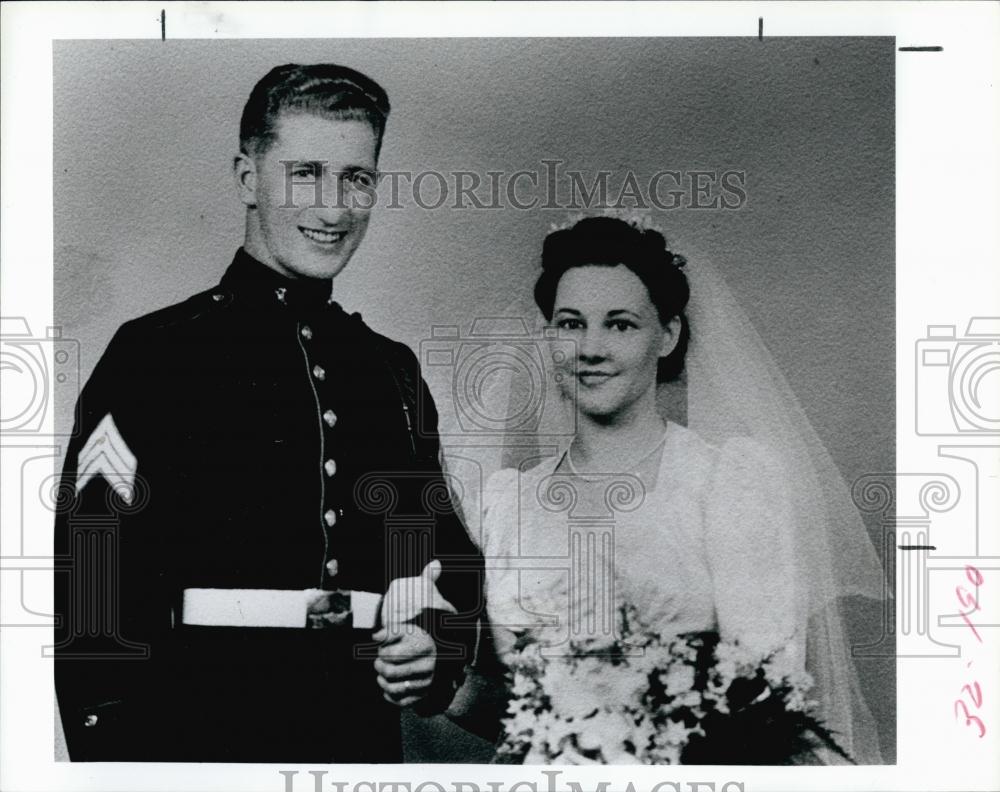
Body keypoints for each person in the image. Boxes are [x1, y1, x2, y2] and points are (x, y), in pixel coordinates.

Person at [53, 63, 484, 763]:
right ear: (248, 178)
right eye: (305, 173)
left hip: (355, 735)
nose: (334, 207)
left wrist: (438, 644)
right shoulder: (155, 353)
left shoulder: (390, 370)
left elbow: (440, 553)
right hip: (193, 730)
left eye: (357, 178)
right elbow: (94, 576)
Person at [469, 213, 887, 764]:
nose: (590, 348)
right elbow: (512, 709)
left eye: (620, 325)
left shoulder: (726, 484)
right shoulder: (509, 501)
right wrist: (435, 682)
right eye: (570, 324)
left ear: (667, 335)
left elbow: (765, 703)